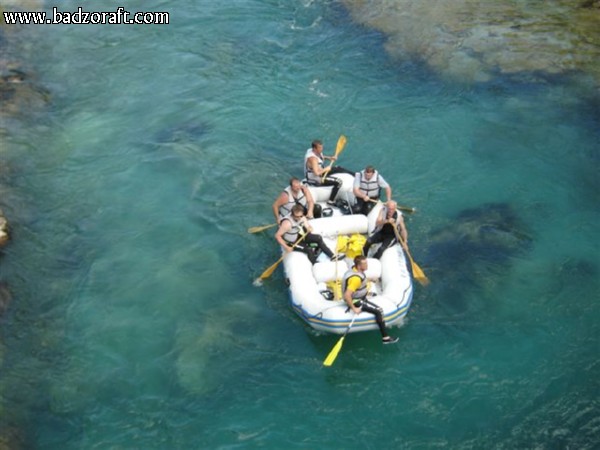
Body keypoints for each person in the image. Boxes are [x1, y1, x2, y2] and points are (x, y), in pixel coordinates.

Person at [342, 255, 398, 344]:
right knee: (379, 310)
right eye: (365, 264)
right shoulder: (356, 278)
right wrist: (354, 308)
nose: (367, 265)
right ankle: (385, 338)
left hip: (360, 297)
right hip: (355, 301)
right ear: (359, 266)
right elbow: (347, 295)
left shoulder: (354, 270)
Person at [275, 205, 341, 264]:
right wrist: (287, 247)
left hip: (298, 236)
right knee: (309, 249)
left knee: (318, 238)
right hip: (292, 242)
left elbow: (307, 225)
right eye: (296, 217)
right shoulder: (287, 224)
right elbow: (277, 236)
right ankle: (314, 263)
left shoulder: (302, 217)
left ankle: (332, 256)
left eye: (300, 216)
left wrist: (309, 227)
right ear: (292, 215)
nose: (299, 218)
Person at [304, 139, 354, 205]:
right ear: (314, 148)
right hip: (317, 178)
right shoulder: (313, 159)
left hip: (321, 171)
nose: (322, 149)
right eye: (320, 148)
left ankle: (355, 174)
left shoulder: (312, 151)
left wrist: (330, 158)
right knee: (339, 182)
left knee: (338, 168)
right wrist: (326, 169)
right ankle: (331, 201)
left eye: (322, 147)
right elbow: (316, 173)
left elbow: (321, 157)